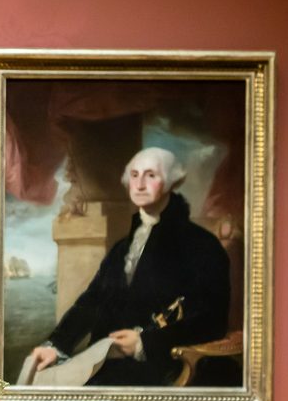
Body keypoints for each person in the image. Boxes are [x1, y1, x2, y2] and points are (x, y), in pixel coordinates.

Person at [30, 147, 230, 386]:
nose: (140, 184)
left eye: (151, 176)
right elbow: (92, 300)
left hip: (162, 365)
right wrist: (56, 344)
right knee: (41, 379)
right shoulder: (122, 248)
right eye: (134, 175)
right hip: (108, 360)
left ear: (170, 183)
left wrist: (144, 343)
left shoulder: (201, 245)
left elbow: (211, 318)